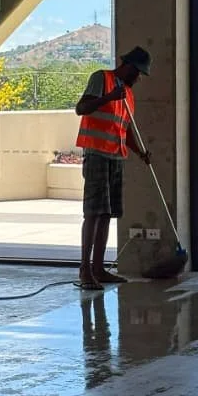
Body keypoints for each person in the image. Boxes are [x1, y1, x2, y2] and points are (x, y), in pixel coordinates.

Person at [74, 46, 152, 291]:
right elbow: (81, 108)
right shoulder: (102, 78)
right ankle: (85, 269)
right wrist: (109, 97)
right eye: (138, 72)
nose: (139, 78)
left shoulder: (127, 94)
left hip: (116, 156)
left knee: (107, 214)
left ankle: (99, 268)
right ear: (128, 66)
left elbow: (125, 128)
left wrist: (140, 152)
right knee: (94, 212)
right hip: (96, 154)